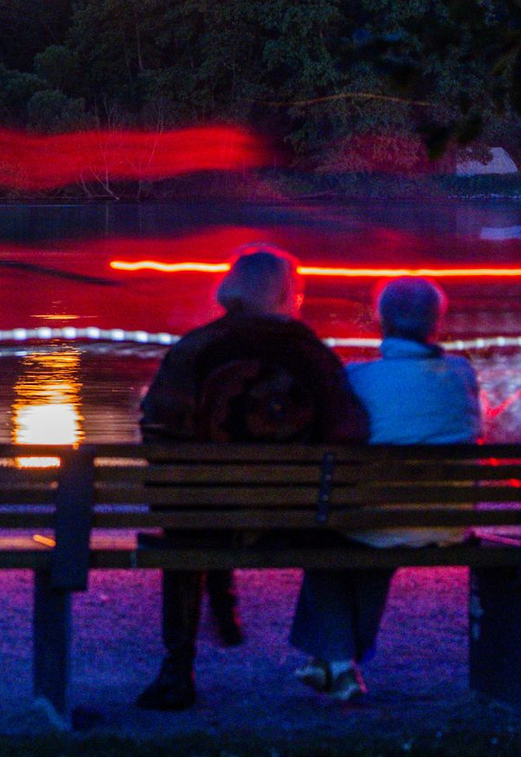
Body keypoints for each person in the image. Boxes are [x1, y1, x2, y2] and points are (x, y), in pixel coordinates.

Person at [137, 245, 369, 710]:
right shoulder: (310, 352)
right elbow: (352, 432)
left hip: (203, 518)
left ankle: (177, 670)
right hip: (296, 518)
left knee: (189, 519)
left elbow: (156, 425)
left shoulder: (196, 347)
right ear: (288, 294)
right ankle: (334, 659)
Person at [289, 276, 481, 703]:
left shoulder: (357, 378)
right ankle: (330, 662)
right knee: (373, 532)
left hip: (375, 517)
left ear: (381, 321)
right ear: (436, 323)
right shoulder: (462, 375)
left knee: (324, 534)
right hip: (445, 523)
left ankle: (338, 663)